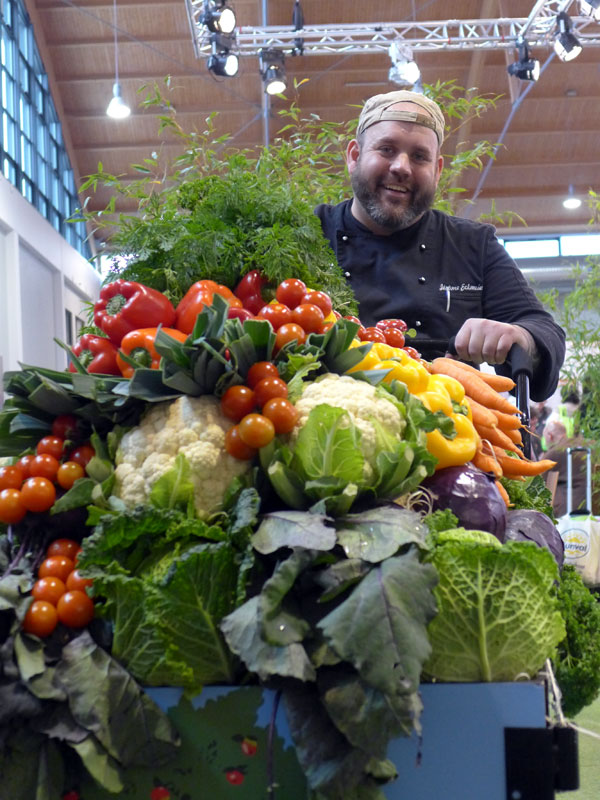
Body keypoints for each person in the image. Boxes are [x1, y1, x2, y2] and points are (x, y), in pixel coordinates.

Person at [315, 90, 566, 401]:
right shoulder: (307, 233)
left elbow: (543, 329)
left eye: (419, 156)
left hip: (449, 423)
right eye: (387, 149)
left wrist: (522, 337)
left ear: (437, 171)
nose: (402, 167)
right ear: (354, 156)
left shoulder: (473, 245)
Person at [543, 416, 590, 518]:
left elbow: (537, 479)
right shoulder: (587, 444)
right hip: (594, 504)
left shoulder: (555, 452)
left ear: (550, 436)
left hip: (569, 510)